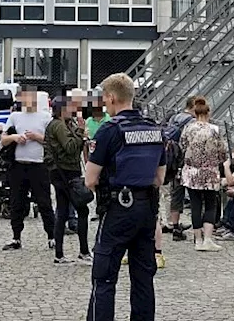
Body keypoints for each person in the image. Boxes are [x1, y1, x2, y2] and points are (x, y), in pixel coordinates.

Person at [85, 73, 166, 321]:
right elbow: (159, 178)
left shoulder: (109, 130)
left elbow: (90, 179)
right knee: (143, 278)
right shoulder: (154, 129)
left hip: (118, 209)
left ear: (110, 97)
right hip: (146, 210)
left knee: (104, 277)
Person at [1, 88, 56, 252]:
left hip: (39, 165)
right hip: (19, 164)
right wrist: (15, 138)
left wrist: (37, 137)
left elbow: (52, 141)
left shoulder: (45, 117)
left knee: (44, 202)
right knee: (17, 201)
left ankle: (51, 236)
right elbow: (3, 139)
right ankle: (16, 237)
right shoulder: (15, 117)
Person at [44, 93, 91, 265]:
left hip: (62, 172)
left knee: (63, 211)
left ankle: (59, 254)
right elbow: (70, 147)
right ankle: (84, 252)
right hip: (65, 172)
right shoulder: (58, 126)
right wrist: (80, 131)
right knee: (82, 210)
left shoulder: (64, 124)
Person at [178, 97, 226, 251]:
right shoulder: (215, 130)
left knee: (195, 205)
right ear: (208, 112)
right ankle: (208, 239)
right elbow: (222, 152)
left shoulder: (188, 128)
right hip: (210, 172)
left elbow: (182, 146)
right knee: (210, 205)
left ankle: (197, 240)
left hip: (191, 172)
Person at [163, 97, 197, 241]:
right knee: (195, 196)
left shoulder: (175, 117)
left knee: (176, 192)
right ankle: (199, 230)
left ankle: (174, 224)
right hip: (186, 161)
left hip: (173, 160)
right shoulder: (192, 122)